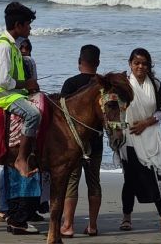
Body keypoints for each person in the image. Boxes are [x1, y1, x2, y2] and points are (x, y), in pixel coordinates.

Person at [115, 48, 161, 234]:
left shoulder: (155, 84)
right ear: (130, 63)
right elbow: (114, 110)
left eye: (144, 63)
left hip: (151, 136)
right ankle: (127, 217)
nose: (140, 66)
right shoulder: (123, 83)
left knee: (158, 178)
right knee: (130, 180)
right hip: (129, 138)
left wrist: (146, 123)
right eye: (136, 63)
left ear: (149, 65)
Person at [0, 1, 40, 178]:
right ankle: (21, 159)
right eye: (28, 24)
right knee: (33, 114)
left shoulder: (13, 46)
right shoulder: (3, 47)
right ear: (18, 25)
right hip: (2, 96)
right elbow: (3, 81)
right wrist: (27, 84)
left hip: (13, 93)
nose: (30, 28)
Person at [0, 36, 46, 234]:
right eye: (23, 46)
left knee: (10, 169)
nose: (25, 50)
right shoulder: (28, 62)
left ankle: (9, 210)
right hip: (23, 117)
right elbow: (32, 88)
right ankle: (20, 217)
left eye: (27, 47)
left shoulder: (11, 57)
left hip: (9, 115)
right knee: (27, 163)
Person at [59, 44, 103, 237]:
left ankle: (67, 225)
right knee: (94, 182)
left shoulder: (70, 84)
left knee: (71, 181)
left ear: (79, 63)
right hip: (96, 140)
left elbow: (60, 115)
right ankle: (92, 226)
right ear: (98, 63)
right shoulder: (102, 86)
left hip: (73, 144)